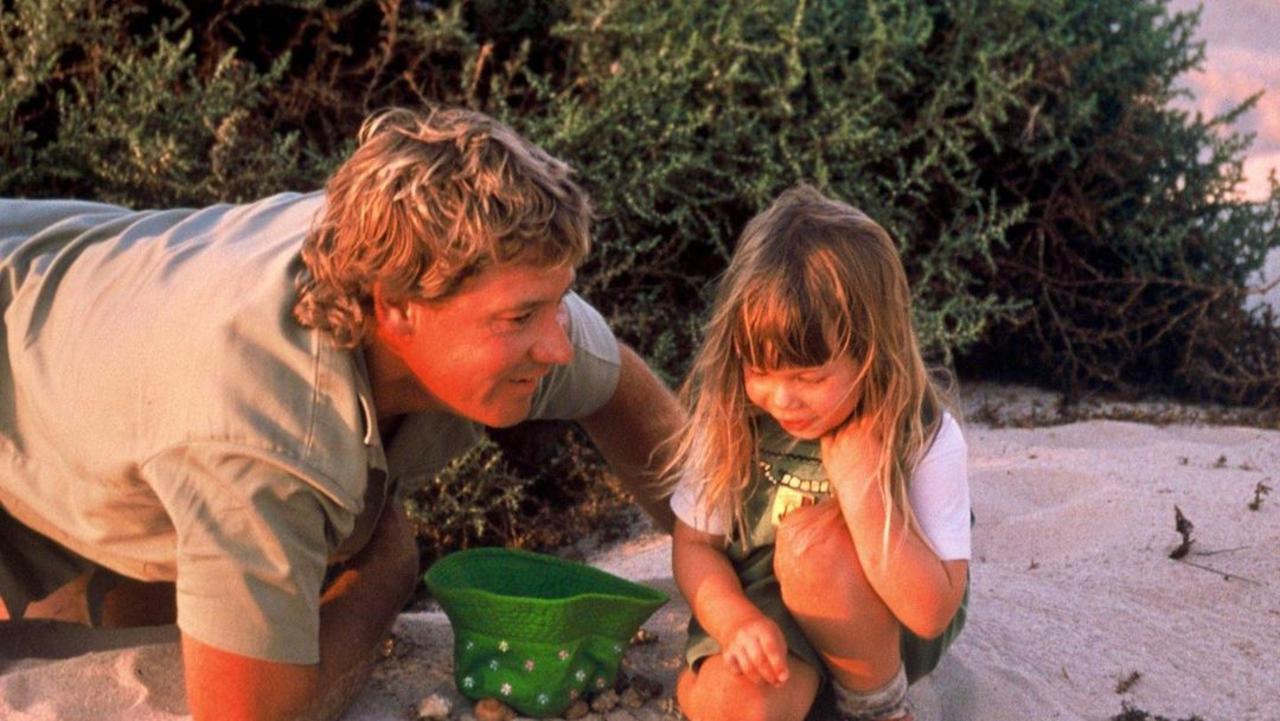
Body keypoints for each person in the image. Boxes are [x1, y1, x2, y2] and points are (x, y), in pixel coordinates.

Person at [0, 106, 681, 721]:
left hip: (79, 329)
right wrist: (384, 572)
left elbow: (619, 390)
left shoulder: (470, 263)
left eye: (556, 301)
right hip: (27, 353)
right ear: (396, 305)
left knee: (153, 598)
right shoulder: (263, 428)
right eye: (522, 316)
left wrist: (732, 570)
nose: (558, 344)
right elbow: (246, 714)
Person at [667, 186, 970, 721]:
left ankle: (873, 706)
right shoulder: (728, 416)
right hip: (768, 611)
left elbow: (931, 612)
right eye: (760, 371)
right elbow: (695, 545)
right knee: (730, 706)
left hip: (882, 621)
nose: (782, 398)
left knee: (816, 551)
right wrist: (735, 621)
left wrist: (864, 491)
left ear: (873, 352)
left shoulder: (921, 433)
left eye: (810, 376)